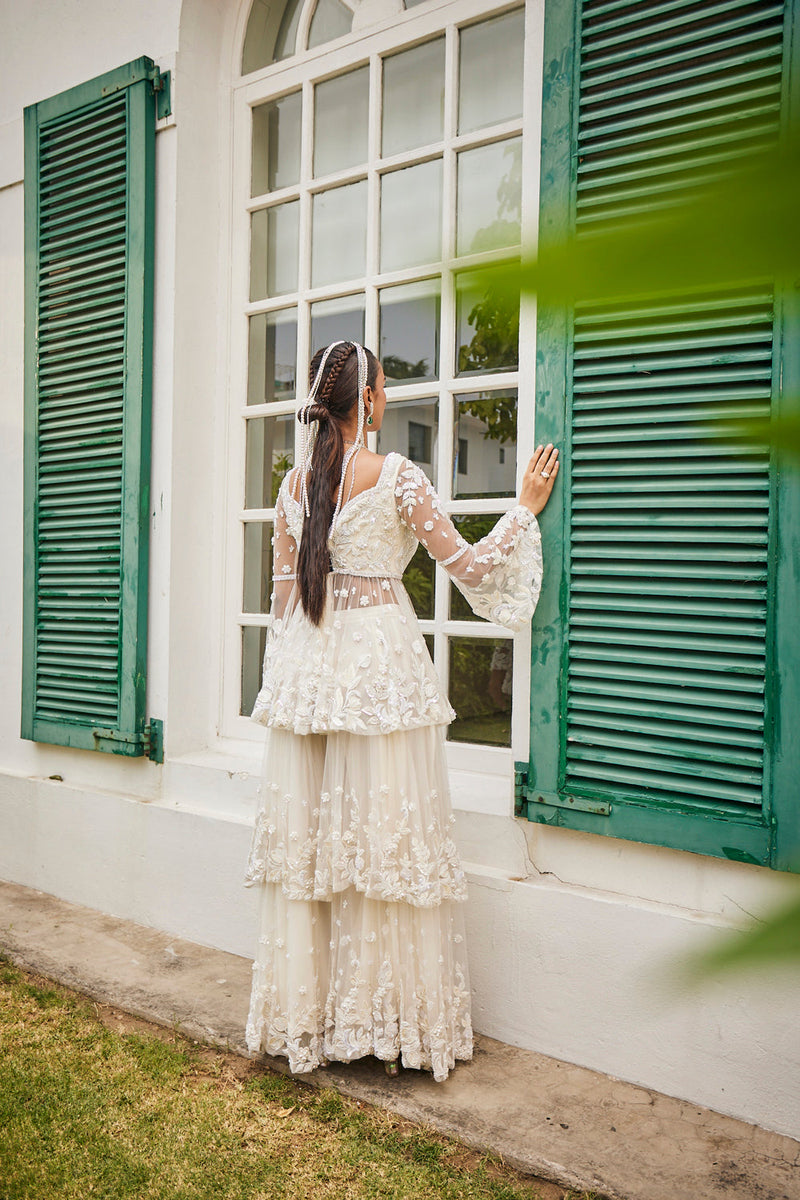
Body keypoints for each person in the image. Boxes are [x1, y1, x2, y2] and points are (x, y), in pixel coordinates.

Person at [244, 340, 559, 1083]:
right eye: (384, 388)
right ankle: (383, 1023)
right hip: (378, 669)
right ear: (372, 402)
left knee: (319, 847)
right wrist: (523, 509)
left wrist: (288, 686)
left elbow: (283, 601)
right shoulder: (398, 476)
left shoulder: (293, 485)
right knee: (384, 839)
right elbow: (474, 569)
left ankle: (316, 1020)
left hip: (308, 671)